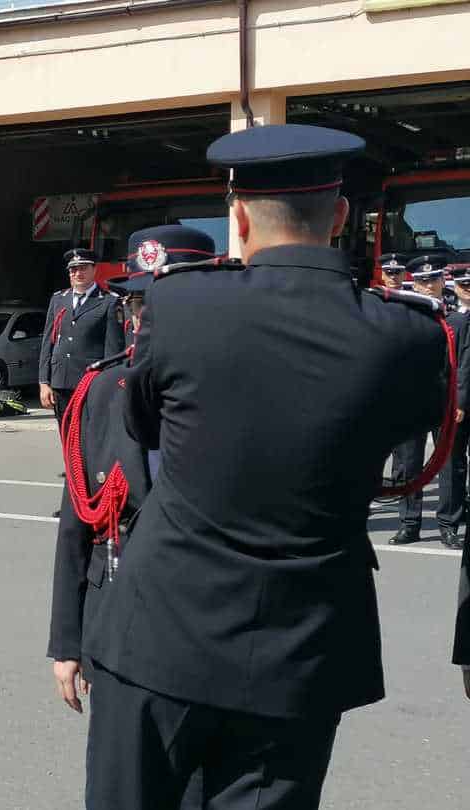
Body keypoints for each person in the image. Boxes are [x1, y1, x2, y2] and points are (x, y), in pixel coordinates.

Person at [89, 124, 448, 810]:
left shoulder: (179, 304)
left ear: (239, 217)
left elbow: (140, 424)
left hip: (163, 632)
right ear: (341, 216)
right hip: (301, 646)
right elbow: (406, 439)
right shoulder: (407, 333)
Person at [49, 226, 214, 810]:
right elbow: (77, 524)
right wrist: (67, 642)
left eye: (160, 302)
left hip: (205, 633)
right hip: (116, 626)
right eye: (138, 303)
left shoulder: (230, 386)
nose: (145, 318)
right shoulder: (101, 388)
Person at [389, 255, 450, 546]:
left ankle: (448, 522)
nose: (427, 286)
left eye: (432, 279)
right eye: (422, 281)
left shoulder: (455, 308)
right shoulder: (401, 310)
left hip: (448, 399)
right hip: (412, 398)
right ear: (414, 282)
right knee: (408, 465)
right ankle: (409, 523)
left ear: (441, 280)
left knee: (450, 462)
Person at [39, 248, 124, 425]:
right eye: (73, 269)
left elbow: (113, 349)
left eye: (83, 268)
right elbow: (49, 342)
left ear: (94, 269)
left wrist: (107, 384)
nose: (78, 273)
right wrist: (44, 382)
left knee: (88, 437)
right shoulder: (58, 300)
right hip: (60, 380)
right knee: (66, 435)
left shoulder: (109, 301)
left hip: (90, 381)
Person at [436, 255, 470, 550]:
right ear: (456, 288)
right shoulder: (453, 321)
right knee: (452, 464)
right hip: (459, 404)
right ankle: (449, 523)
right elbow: (454, 365)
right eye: (464, 285)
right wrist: (457, 401)